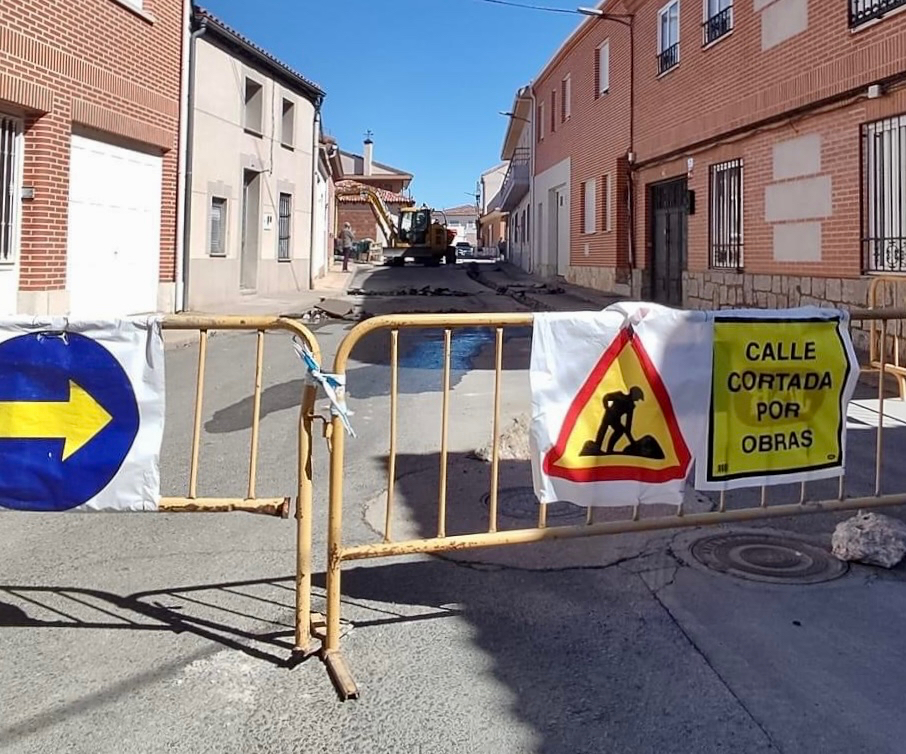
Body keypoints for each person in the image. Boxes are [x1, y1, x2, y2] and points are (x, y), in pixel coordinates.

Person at [593, 387, 644, 454]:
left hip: (615, 419)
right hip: (609, 416)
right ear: (634, 394)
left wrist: (632, 442)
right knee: (603, 429)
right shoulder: (619, 395)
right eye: (638, 398)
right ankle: (597, 447)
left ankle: (609, 450)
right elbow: (606, 397)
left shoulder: (631, 406)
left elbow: (628, 427)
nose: (637, 400)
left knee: (620, 430)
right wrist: (607, 408)